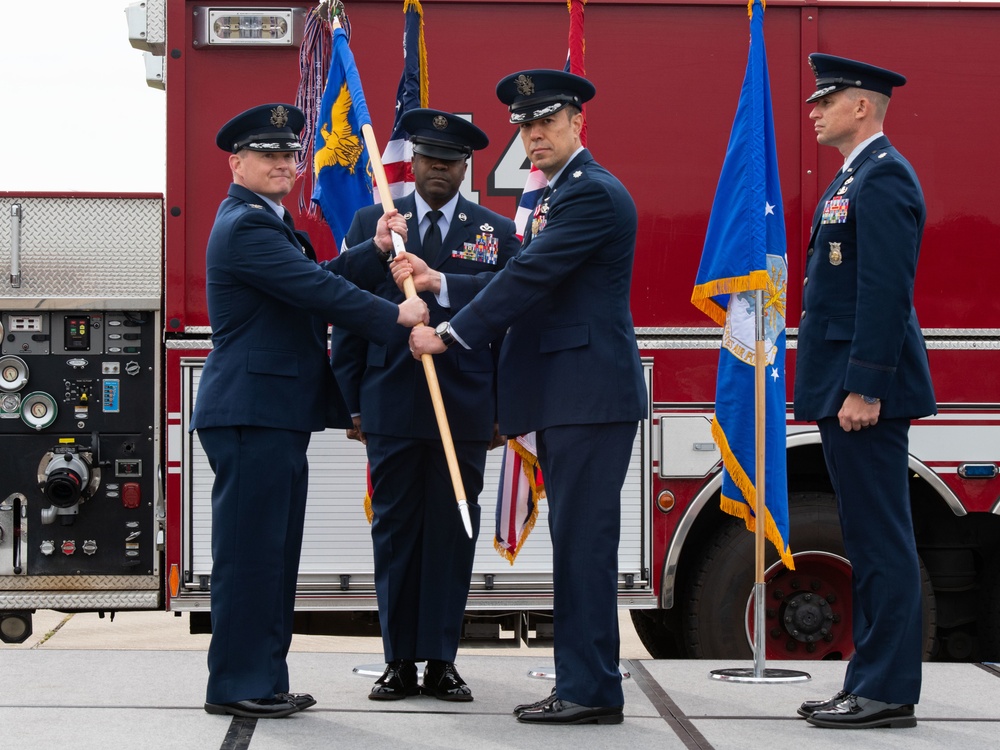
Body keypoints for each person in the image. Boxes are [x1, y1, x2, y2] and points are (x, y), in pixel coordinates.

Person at [405, 70, 647, 725]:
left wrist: (450, 334)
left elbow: (531, 278)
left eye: (545, 121)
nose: (531, 135)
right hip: (570, 396)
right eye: (523, 125)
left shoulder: (590, 195)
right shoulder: (557, 195)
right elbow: (515, 274)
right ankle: (583, 681)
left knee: (584, 546)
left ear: (576, 122)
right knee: (576, 543)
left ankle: (591, 689)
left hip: (588, 395)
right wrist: (441, 282)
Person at [190, 103, 428, 719]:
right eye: (265, 154)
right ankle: (239, 682)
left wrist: (373, 252)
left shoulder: (264, 222)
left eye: (287, 154)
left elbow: (311, 274)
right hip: (252, 410)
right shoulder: (246, 225)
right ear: (235, 162)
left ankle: (263, 678)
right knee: (251, 555)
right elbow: (314, 290)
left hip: (270, 411)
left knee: (271, 553)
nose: (280, 163)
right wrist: (391, 315)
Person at [331, 108, 519, 702]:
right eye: (429, 160)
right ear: (411, 164)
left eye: (451, 161)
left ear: (467, 167)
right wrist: (351, 403)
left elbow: (510, 315)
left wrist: (501, 410)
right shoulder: (375, 221)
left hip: (463, 405)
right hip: (389, 401)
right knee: (394, 533)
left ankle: (441, 660)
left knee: (451, 534)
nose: (439, 170)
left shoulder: (496, 231)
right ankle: (397, 662)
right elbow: (348, 314)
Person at [792, 55, 936, 729]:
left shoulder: (883, 179)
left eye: (829, 98)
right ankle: (867, 682)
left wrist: (865, 388)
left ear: (862, 107)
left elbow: (884, 292)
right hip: (843, 386)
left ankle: (888, 691)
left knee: (881, 540)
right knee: (867, 536)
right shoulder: (855, 177)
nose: (814, 109)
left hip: (864, 395)